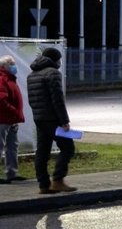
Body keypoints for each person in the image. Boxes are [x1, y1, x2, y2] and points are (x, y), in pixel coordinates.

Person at [26, 47, 76, 194]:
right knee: (68, 147)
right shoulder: (53, 73)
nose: (60, 62)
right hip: (52, 119)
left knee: (42, 151)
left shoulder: (32, 74)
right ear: (55, 59)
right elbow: (57, 100)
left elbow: (32, 100)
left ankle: (43, 184)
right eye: (59, 59)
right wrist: (64, 121)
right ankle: (58, 180)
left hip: (39, 118)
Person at [0, 55, 27, 184]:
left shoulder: (10, 79)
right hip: (3, 119)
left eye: (14, 63)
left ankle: (11, 173)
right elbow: (1, 99)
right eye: (11, 63)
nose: (14, 65)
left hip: (11, 119)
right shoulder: (2, 79)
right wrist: (13, 110)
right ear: (3, 66)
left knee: (12, 147)